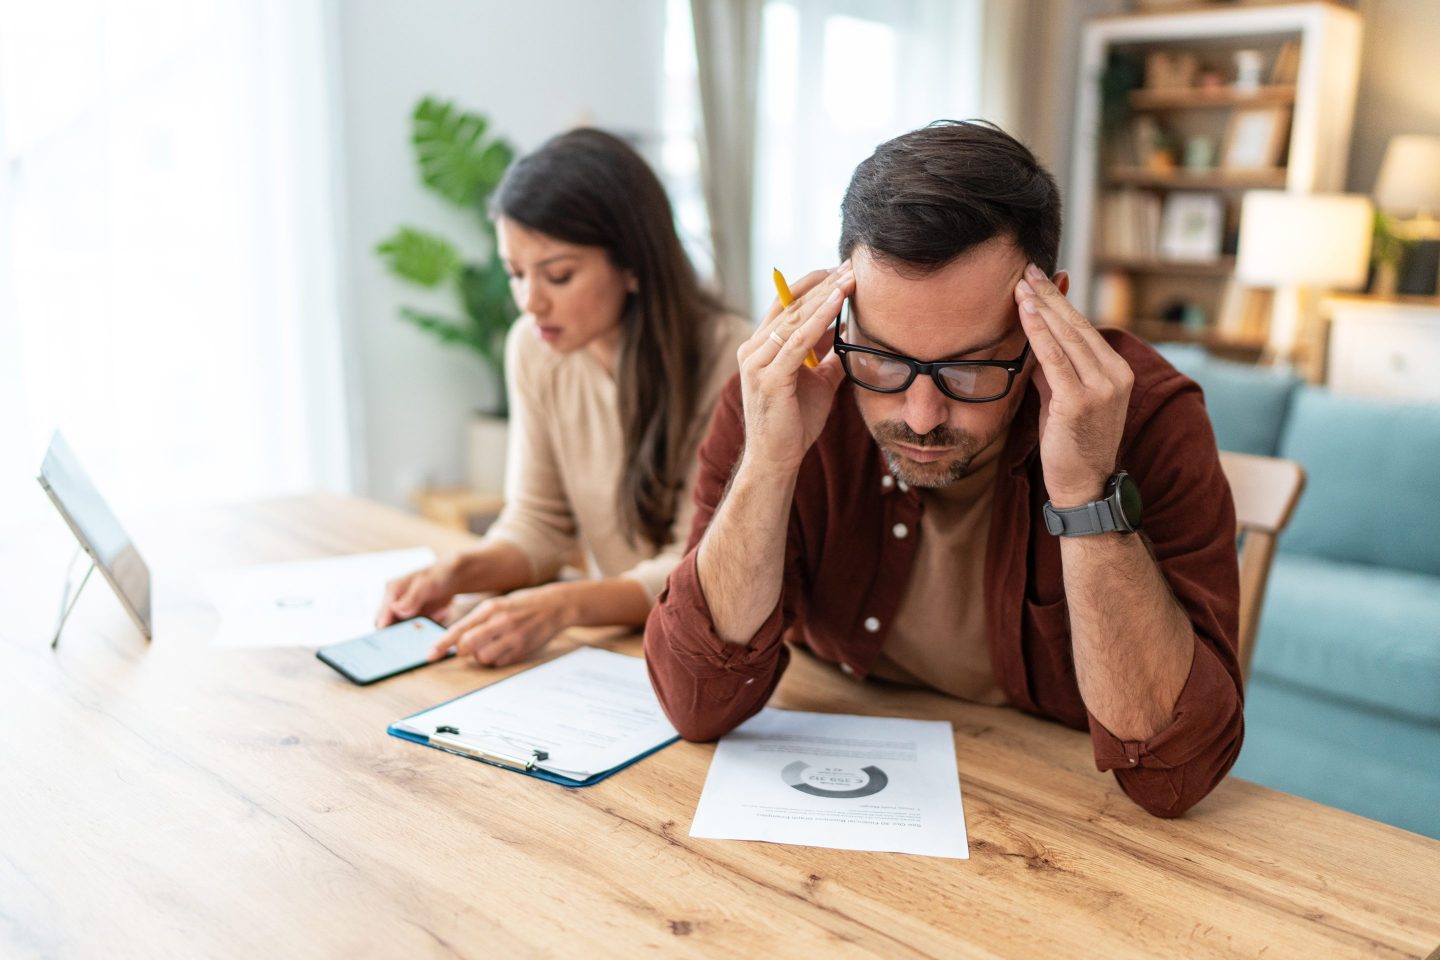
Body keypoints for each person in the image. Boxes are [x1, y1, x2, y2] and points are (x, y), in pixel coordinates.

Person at [644, 121, 1243, 819]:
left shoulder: (1143, 414)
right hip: (837, 769)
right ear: (837, 306)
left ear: (1047, 311)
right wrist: (771, 464)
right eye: (885, 359)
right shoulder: (788, 387)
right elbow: (695, 703)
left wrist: (1086, 493)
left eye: (968, 367)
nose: (922, 415)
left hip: (1049, 810)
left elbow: (1172, 774)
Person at [376, 128, 749, 668]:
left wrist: (562, 606)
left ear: (632, 263)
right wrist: (455, 574)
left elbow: (700, 570)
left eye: (558, 275)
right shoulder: (533, 347)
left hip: (717, 656)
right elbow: (538, 524)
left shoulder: (732, 357)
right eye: (515, 274)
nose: (531, 301)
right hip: (623, 649)